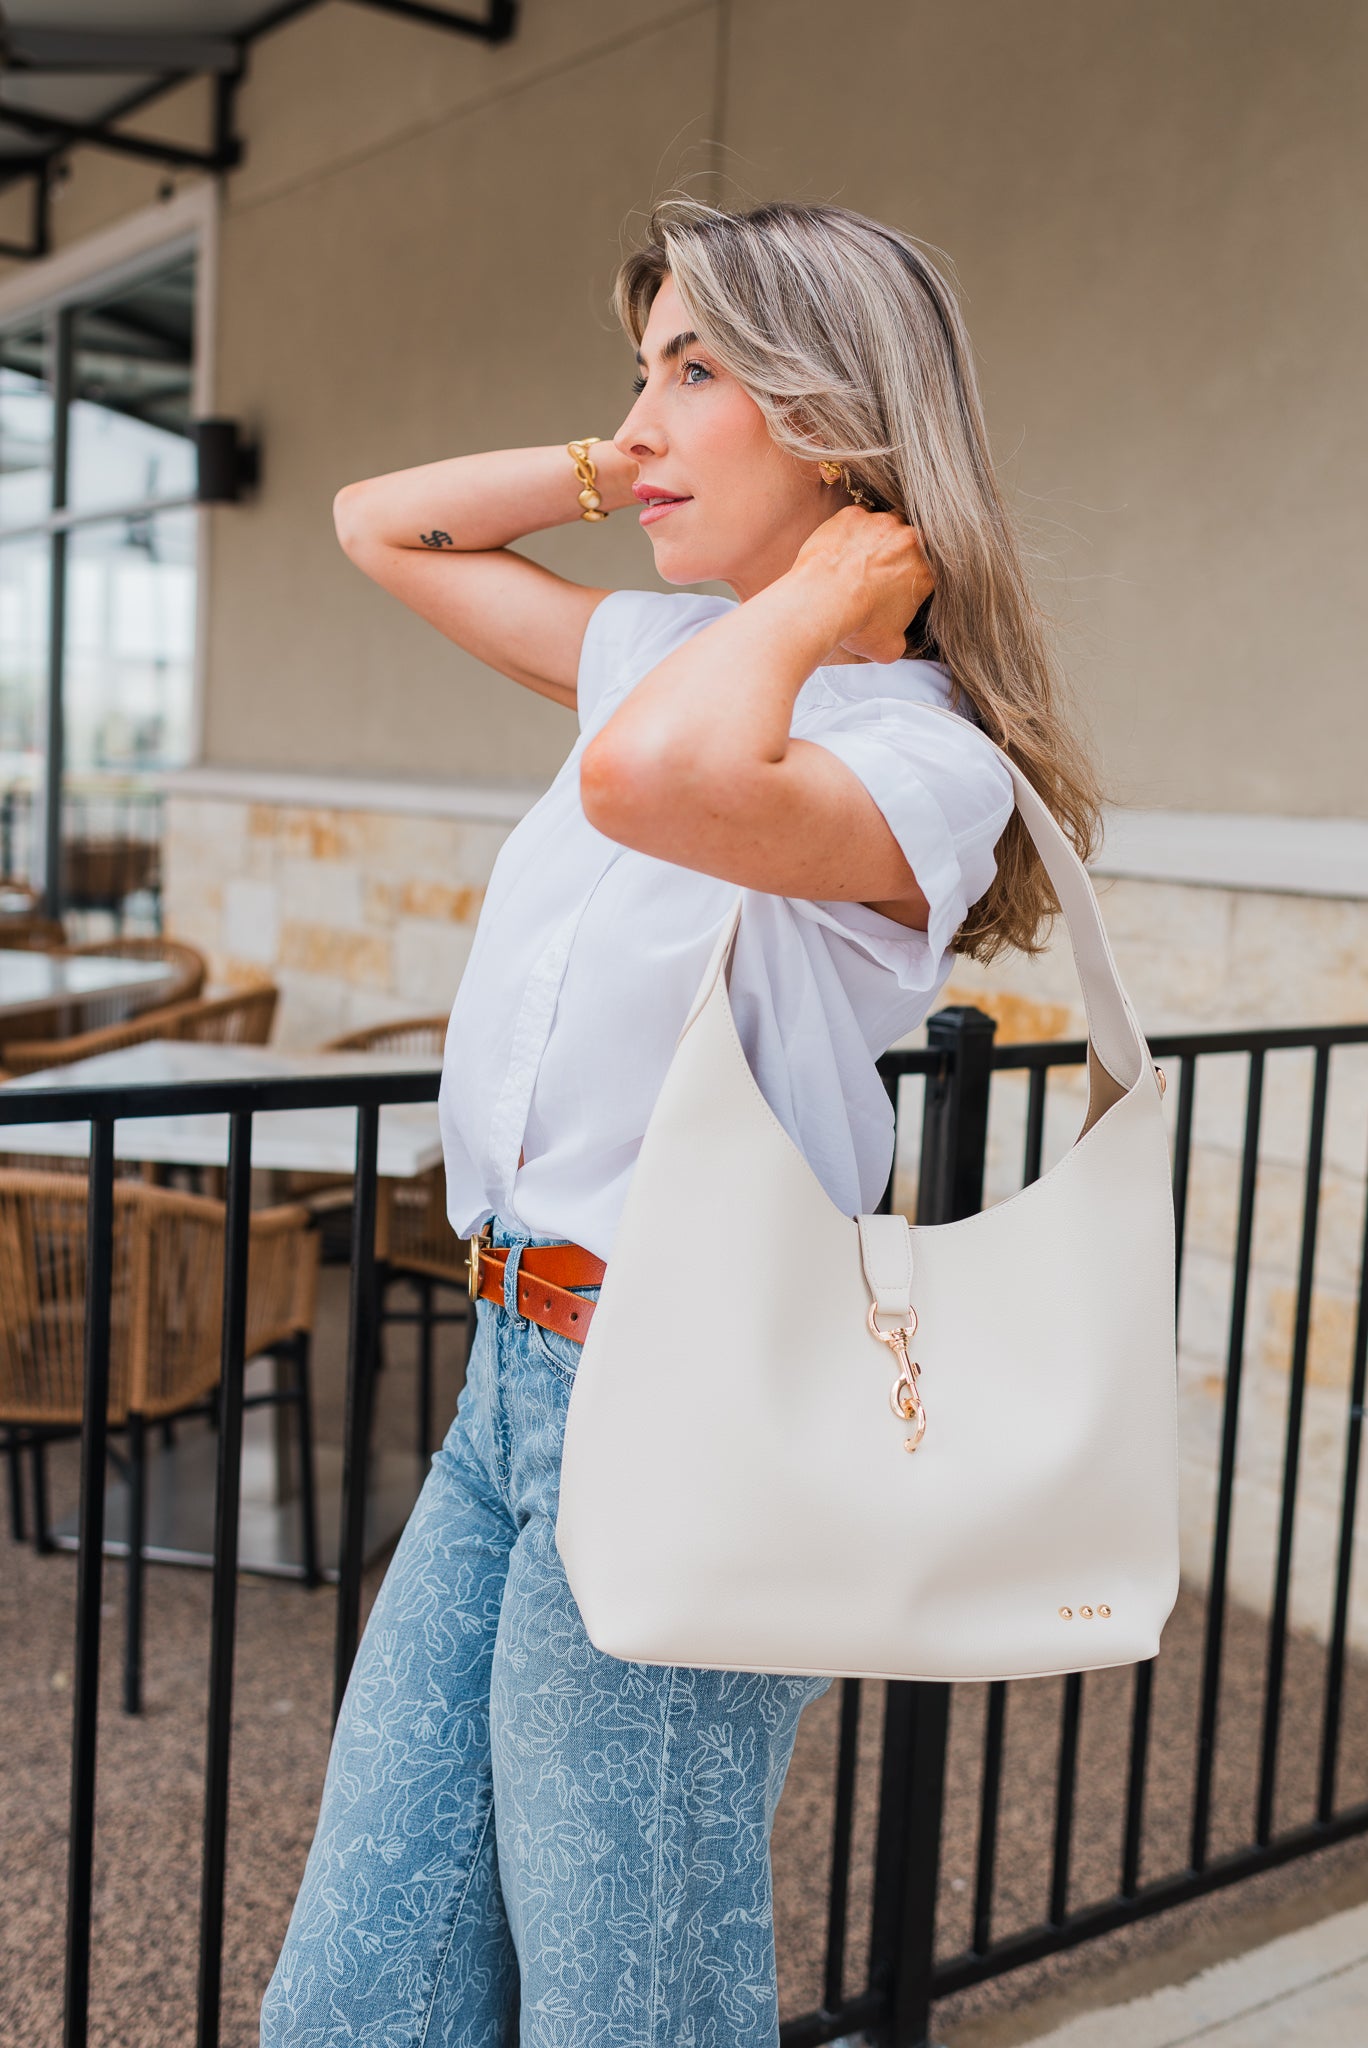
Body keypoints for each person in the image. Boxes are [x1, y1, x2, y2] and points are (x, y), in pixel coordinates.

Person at [260, 195, 1103, 2048]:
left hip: (681, 1398)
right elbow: (377, 523)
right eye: (637, 369)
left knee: (629, 2007)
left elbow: (657, 786)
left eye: (697, 369)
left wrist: (816, 596)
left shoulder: (919, 762)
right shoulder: (661, 657)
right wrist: (626, 448)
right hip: (512, 1372)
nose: (639, 425)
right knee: (360, 1991)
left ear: (838, 419)